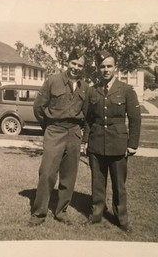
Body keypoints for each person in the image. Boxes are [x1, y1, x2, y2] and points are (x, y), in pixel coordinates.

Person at [29, 47, 89, 226]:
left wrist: (81, 136)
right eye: (73, 63)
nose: (76, 67)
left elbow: (86, 113)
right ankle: (39, 213)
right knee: (47, 173)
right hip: (54, 131)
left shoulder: (85, 87)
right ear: (67, 63)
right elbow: (38, 107)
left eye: (80, 65)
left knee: (69, 176)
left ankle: (61, 211)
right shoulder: (52, 81)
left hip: (74, 133)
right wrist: (48, 127)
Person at [82, 50, 141, 232]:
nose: (106, 69)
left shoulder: (126, 90)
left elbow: (135, 118)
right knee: (97, 182)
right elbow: (87, 119)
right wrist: (85, 141)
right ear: (98, 69)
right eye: (102, 66)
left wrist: (132, 144)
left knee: (119, 185)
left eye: (109, 66)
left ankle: (121, 219)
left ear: (115, 67)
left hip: (118, 144)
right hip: (96, 143)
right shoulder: (93, 90)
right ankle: (97, 213)